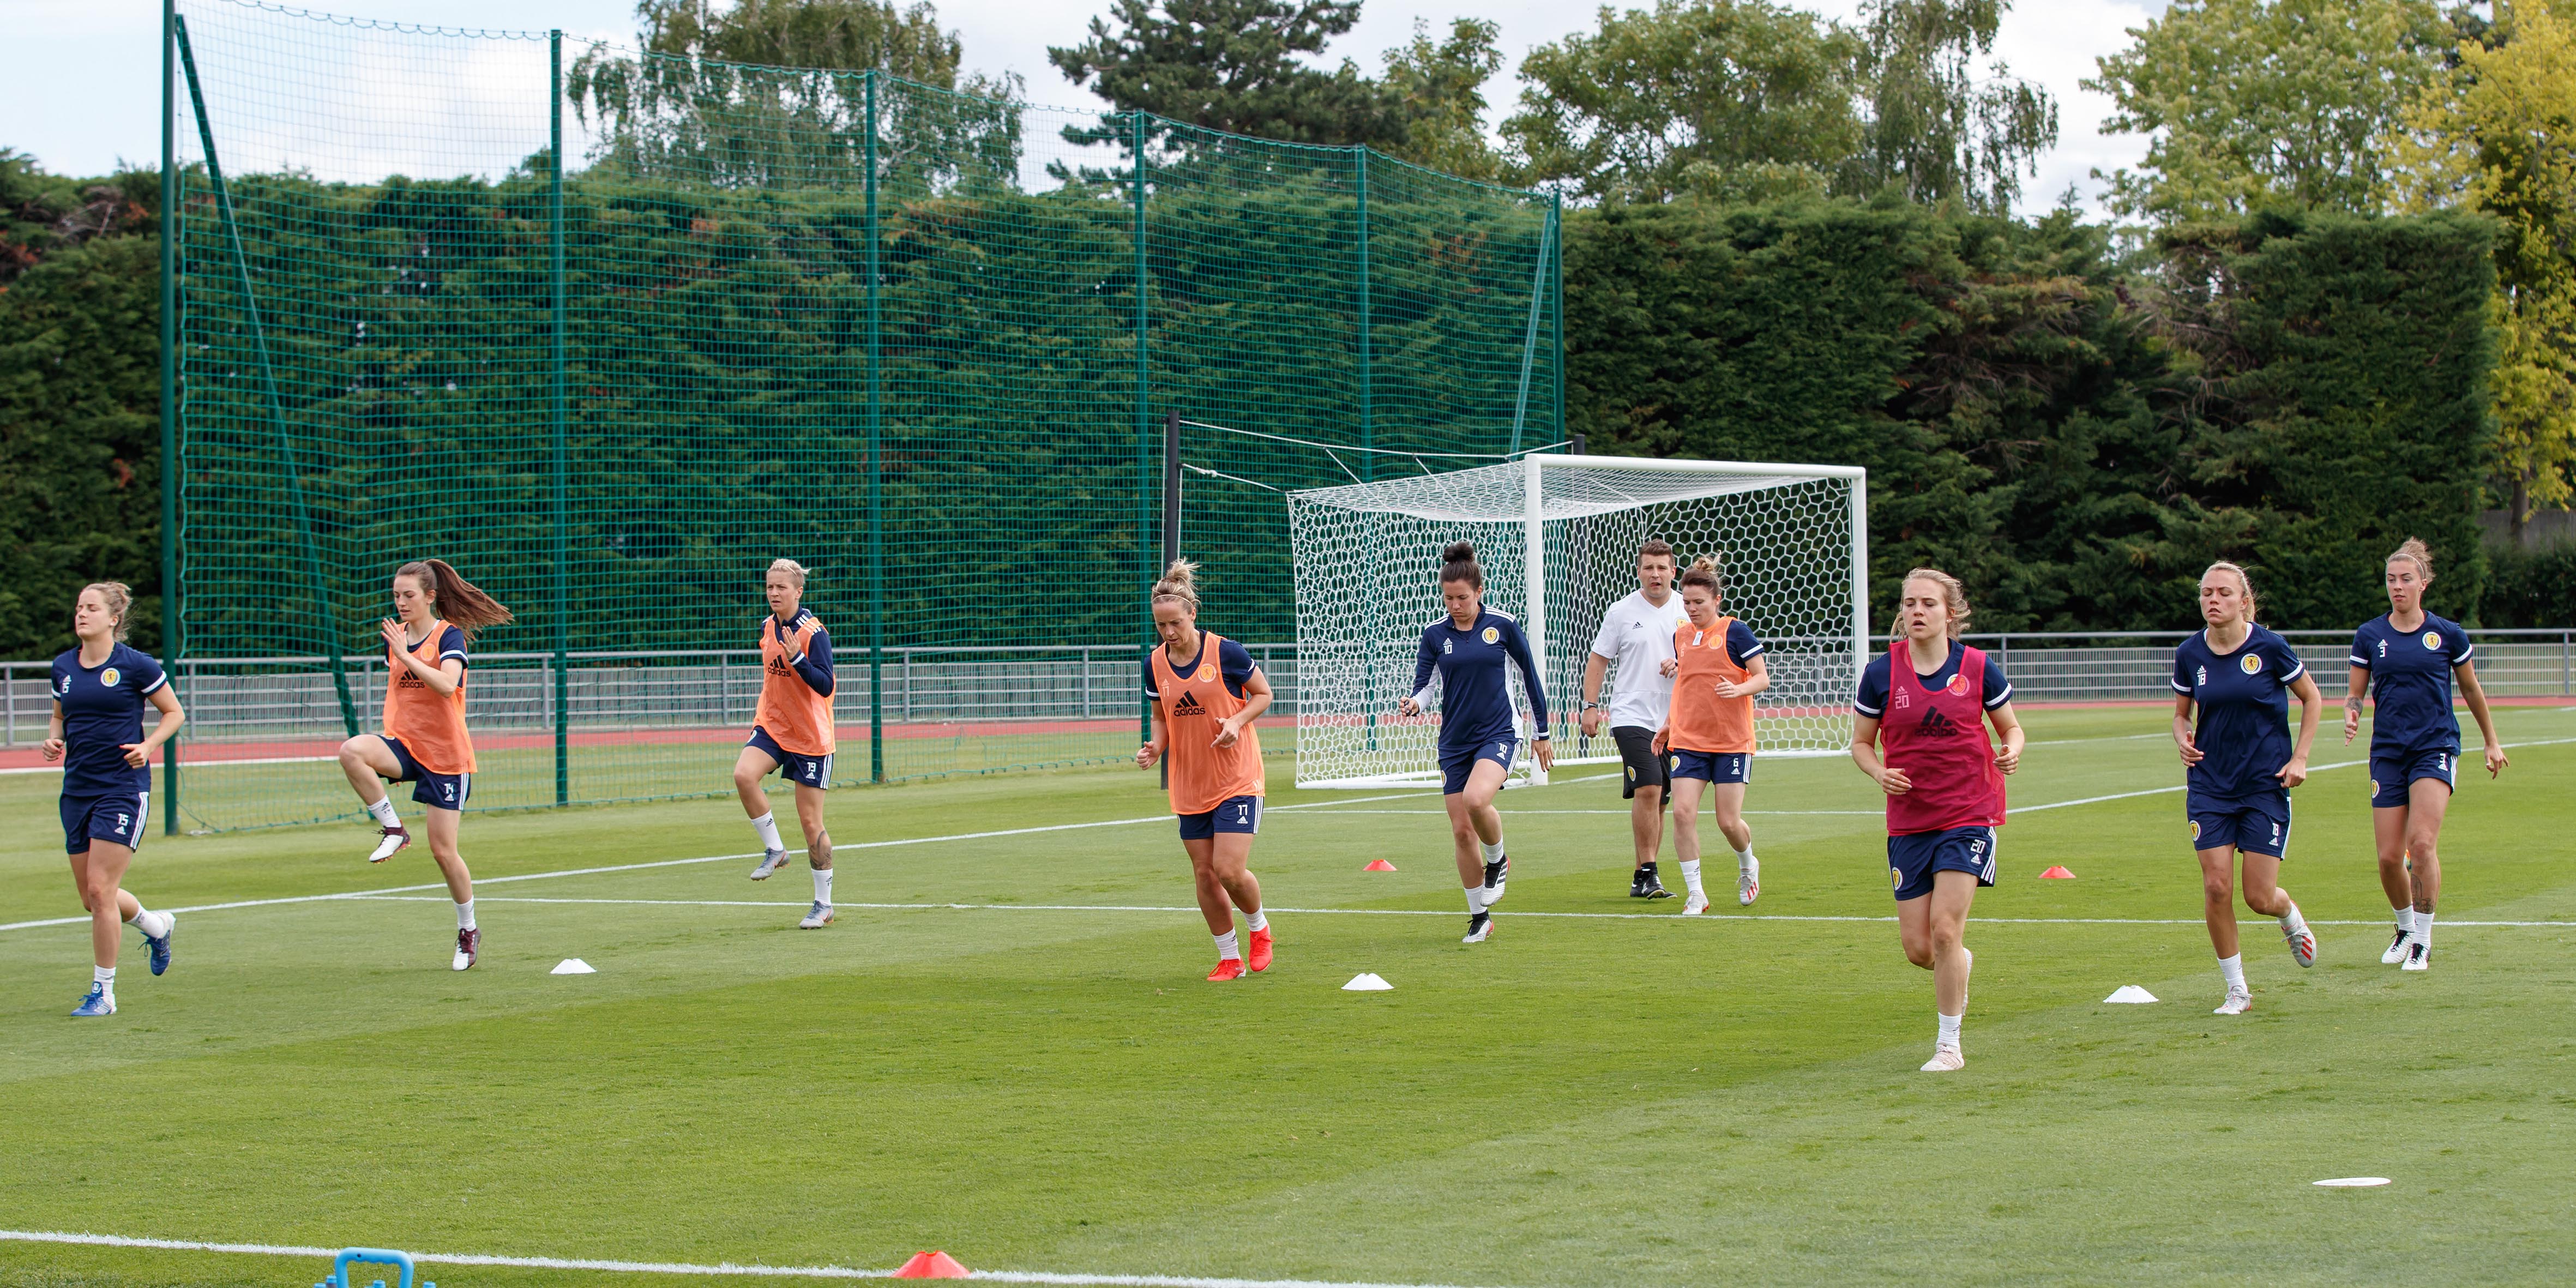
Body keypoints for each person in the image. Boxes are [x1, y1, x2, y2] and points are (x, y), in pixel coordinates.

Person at [1849, 569, 2023, 1073]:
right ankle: (1958, 967)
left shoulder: (1978, 667)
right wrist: (1880, 772)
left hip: (1971, 811)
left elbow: (2011, 729)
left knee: (1946, 930)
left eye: (1928, 603)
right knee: (1920, 948)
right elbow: (1861, 743)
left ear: (1951, 612)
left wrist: (2010, 751)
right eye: (1909, 603)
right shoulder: (1881, 673)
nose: (1917, 612)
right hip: (1909, 820)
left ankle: (1949, 1045)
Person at [334, 558, 510, 971]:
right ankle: (394, 828)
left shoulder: (449, 636)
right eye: (396, 595)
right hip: (406, 746)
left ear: (430, 596)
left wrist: (406, 655)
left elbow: (447, 686)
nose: (401, 602)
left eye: (409, 595)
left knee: (443, 852)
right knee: (351, 751)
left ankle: (468, 930)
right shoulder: (394, 638)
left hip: (447, 758)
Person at [2346, 538, 2507, 972]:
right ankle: (2403, 928)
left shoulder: (2447, 633)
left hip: (2435, 746)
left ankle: (2423, 940)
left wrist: (2491, 741)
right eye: (2390, 580)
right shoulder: (2370, 635)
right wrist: (2352, 714)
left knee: (2420, 845)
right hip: (2388, 752)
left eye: (2405, 579)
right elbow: (2357, 693)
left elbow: (2471, 689)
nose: (2397, 587)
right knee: (2387, 857)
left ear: (2424, 584)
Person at [2171, 562, 2322, 1014]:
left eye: (2223, 593)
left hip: (2263, 785)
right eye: (2206, 593)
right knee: (2217, 887)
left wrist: (2300, 758)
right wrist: (2182, 737)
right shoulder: (2189, 654)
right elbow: (2182, 714)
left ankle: (2290, 917)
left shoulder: (2270, 648)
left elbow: (2312, 699)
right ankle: (2237, 990)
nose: (2213, 600)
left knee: (2259, 897)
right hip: (2210, 786)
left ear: (2243, 600)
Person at [1398, 540, 1554, 943]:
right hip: (1454, 741)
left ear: (1479, 592)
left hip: (1499, 732)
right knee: (1462, 831)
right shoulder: (1435, 635)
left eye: (1463, 598)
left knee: (1476, 800)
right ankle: (1478, 916)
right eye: (1449, 598)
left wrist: (1542, 733)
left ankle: (1498, 860)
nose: (1455, 605)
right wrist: (1415, 702)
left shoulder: (1502, 626)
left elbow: (1530, 678)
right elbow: (1426, 686)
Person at [43, 583, 184, 1017]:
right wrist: (53, 739)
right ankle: (156, 925)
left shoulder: (136, 665)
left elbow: (174, 713)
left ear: (113, 619)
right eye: (78, 607)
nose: (81, 614)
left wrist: (149, 747)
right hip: (77, 790)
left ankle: (103, 993)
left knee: (102, 890)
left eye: (91, 608)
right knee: (92, 896)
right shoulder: (63, 666)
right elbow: (59, 715)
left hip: (122, 788)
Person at [1136, 559, 1277, 981]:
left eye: (1175, 623)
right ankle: (1229, 958)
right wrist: (1155, 748)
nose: (1169, 633)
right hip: (1190, 783)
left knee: (1229, 870)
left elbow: (1264, 694)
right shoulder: (1154, 665)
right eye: (1161, 626)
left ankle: (1259, 929)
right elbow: (1161, 717)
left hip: (1237, 777)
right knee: (1203, 872)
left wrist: (1236, 722)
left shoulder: (1226, 652)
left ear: (1192, 614)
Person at [1651, 556, 1770, 914]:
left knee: (1727, 821)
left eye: (1699, 603)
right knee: (1683, 813)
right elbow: (1688, 686)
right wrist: (1670, 725)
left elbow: (1762, 677)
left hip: (1732, 742)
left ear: (1717, 600)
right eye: (1686, 603)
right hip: (1688, 740)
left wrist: (1741, 690)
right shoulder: (1682, 636)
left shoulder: (1736, 632)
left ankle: (1748, 864)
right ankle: (1696, 893)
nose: (1692, 609)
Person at [1578, 540, 1689, 899]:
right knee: (1650, 786)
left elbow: (1709, 658)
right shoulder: (1622, 611)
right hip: (1631, 715)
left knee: (1660, 800)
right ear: (1639, 571)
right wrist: (1590, 705)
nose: (1654, 574)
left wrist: (1683, 663)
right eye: (1648, 568)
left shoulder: (1688, 610)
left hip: (1675, 719)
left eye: (1662, 568)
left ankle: (1642, 875)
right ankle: (1652, 874)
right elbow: (1598, 659)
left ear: (1674, 571)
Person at [734, 558, 839, 930]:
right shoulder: (767, 627)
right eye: (770, 587)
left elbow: (826, 686)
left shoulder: (814, 633)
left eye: (781, 588)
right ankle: (776, 850)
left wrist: (798, 659)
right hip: (774, 728)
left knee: (811, 823)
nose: (774, 593)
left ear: (799, 592)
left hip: (811, 739)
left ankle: (823, 905)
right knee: (744, 776)